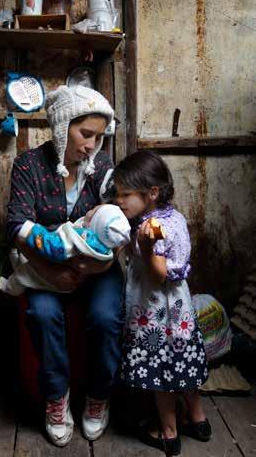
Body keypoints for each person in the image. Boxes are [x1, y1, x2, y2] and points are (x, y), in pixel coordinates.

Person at [6, 85, 125, 446]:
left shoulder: (102, 167)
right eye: (84, 133)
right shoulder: (28, 165)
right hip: (46, 266)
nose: (91, 144)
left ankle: (98, 398)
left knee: (106, 317)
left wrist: (98, 268)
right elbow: (16, 225)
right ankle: (56, 399)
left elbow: (120, 223)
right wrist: (50, 271)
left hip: (97, 267)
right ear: (61, 126)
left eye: (98, 137)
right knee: (42, 314)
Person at [113, 151, 210, 456]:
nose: (119, 201)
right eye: (117, 194)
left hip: (157, 315)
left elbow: (158, 276)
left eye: (125, 194)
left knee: (161, 373)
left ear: (151, 193)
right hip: (179, 313)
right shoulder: (174, 216)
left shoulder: (152, 228)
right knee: (182, 365)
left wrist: (143, 245)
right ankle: (198, 419)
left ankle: (168, 432)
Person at [0, 203, 130, 296]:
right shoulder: (104, 245)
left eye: (94, 211)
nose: (90, 210)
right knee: (25, 260)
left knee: (24, 275)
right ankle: (16, 259)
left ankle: (8, 287)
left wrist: (27, 230)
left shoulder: (75, 243)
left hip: (58, 276)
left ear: (93, 225)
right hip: (71, 274)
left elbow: (48, 244)